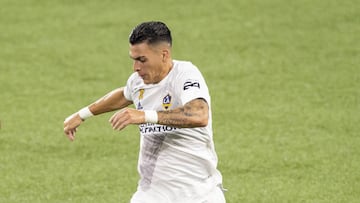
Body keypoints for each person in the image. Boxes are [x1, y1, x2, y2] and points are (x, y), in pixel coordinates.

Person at [63, 21, 226, 203]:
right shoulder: (138, 81)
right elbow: (123, 94)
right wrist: (82, 114)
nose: (136, 68)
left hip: (198, 192)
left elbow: (199, 114)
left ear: (164, 55)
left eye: (142, 60)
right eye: (133, 60)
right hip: (153, 193)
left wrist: (145, 115)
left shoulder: (185, 74)